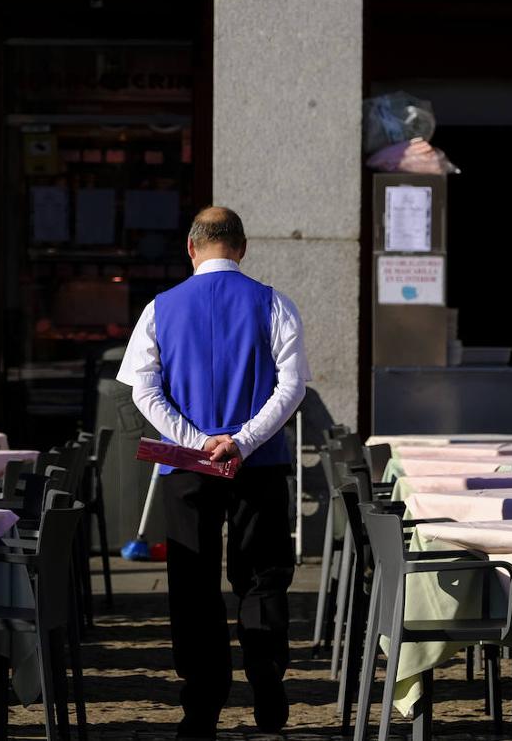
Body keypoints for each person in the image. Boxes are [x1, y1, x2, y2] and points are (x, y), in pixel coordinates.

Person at [116, 206, 311, 739]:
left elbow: (142, 389)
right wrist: (242, 440)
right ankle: (267, 679)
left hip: (188, 464)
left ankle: (201, 703)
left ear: (190, 247)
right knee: (264, 575)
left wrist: (198, 441)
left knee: (193, 579)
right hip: (260, 461)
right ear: (242, 248)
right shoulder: (275, 303)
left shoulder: (160, 308)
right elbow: (291, 388)